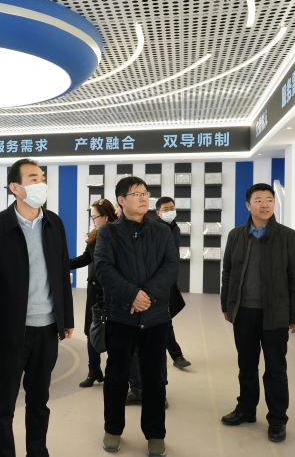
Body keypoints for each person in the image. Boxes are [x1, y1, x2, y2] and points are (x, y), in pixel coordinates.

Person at [0, 158, 74, 457]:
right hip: (9, 332)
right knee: (4, 405)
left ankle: (37, 452)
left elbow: (61, 273)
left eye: (42, 177)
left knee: (39, 402)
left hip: (47, 329)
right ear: (15, 187)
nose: (41, 183)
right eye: (33, 178)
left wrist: (66, 317)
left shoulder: (54, 223)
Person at [94, 176, 179, 457]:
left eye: (145, 193)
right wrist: (132, 295)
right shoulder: (109, 232)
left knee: (155, 378)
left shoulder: (161, 230)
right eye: (136, 194)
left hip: (155, 317)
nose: (144, 198)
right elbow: (104, 268)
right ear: (121, 200)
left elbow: (171, 266)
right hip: (121, 316)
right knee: (116, 376)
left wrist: (147, 296)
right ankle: (113, 429)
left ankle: (155, 434)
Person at [220, 183, 295, 443]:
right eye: (258, 200)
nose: (265, 204)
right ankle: (246, 409)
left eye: (269, 199)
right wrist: (227, 305)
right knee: (246, 365)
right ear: (248, 206)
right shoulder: (236, 235)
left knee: (275, 369)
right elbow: (228, 273)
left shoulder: (289, 237)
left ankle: (277, 419)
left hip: (275, 314)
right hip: (243, 313)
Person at [125, 197, 192, 406]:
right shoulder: (144, 230)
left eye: (173, 208)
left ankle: (157, 391)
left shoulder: (173, 229)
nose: (171, 211)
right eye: (166, 208)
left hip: (160, 290)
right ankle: (137, 389)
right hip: (139, 294)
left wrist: (153, 291)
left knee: (158, 338)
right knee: (137, 345)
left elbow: (171, 263)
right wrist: (138, 294)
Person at [70, 199, 118, 387]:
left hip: (113, 291)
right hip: (94, 291)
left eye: (94, 217)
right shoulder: (95, 234)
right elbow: (85, 259)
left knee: (113, 332)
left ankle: (114, 373)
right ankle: (93, 370)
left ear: (105, 217)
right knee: (92, 330)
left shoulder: (119, 234)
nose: (93, 221)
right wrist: (60, 263)